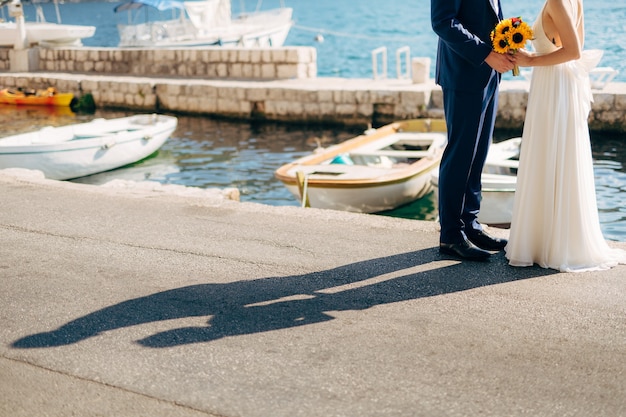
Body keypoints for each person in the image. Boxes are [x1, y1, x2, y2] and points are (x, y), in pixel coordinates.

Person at [507, 0, 626, 272]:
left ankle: (550, 243)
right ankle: (551, 240)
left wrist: (531, 59)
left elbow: (573, 52)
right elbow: (574, 48)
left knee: (548, 155)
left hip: (553, 87)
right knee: (555, 155)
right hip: (560, 84)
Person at [431, 0, 515, 261]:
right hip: (463, 73)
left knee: (478, 154)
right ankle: (451, 236)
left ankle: (470, 225)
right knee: (461, 154)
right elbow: (443, 22)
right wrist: (486, 54)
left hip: (489, 74)